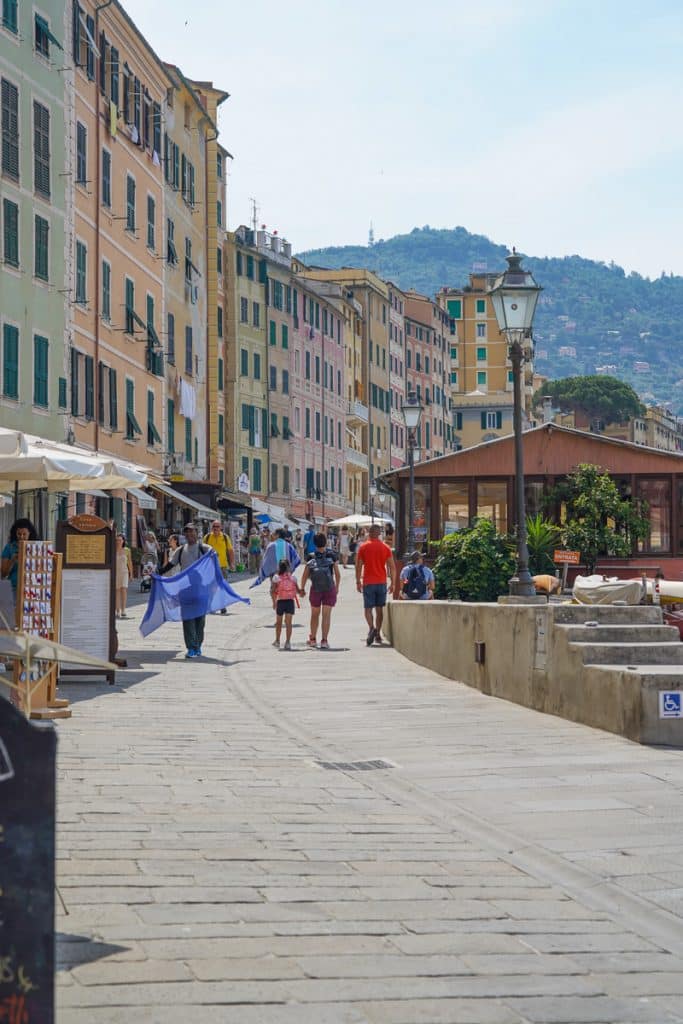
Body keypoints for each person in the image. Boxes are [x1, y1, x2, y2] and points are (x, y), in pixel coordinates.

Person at [166, 522, 212, 658]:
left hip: (201, 588)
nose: (189, 534)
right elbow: (170, 565)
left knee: (200, 619)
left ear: (197, 533)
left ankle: (198, 645)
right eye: (187, 532)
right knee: (188, 618)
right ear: (184, 535)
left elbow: (213, 555)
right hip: (185, 588)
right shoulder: (180, 550)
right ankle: (191, 647)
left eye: (192, 531)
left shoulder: (203, 548)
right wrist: (157, 573)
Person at [355, 523, 397, 645]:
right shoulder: (385, 548)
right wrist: (393, 584)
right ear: (379, 534)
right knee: (379, 610)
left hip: (368, 582)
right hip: (381, 582)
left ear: (370, 533)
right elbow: (392, 567)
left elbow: (358, 566)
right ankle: (378, 634)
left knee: (368, 609)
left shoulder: (363, 547)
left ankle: (371, 628)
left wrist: (358, 581)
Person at [300, 532, 341, 650]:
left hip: (315, 589)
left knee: (314, 614)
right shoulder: (332, 555)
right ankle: (324, 640)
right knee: (326, 615)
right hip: (329, 588)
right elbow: (337, 574)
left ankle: (313, 639)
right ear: (326, 542)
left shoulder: (311, 556)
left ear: (314, 543)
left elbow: (305, 574)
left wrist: (302, 589)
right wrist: (337, 587)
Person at [204, 519, 235, 613]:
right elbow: (202, 550)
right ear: (211, 527)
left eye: (217, 526)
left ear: (221, 527)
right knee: (211, 587)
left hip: (222, 566)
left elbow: (230, 551)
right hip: (210, 566)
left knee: (222, 586)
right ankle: (211, 606)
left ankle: (222, 605)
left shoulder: (225, 537)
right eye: (214, 526)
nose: (216, 528)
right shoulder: (207, 537)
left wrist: (232, 563)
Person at [1, 518, 38, 593]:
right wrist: (13, 560)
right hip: (13, 588)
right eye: (19, 534)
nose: (21, 537)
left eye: (24, 534)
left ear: (29, 533)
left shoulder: (37, 547)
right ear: (15, 533)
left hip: (32, 588)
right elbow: (3, 574)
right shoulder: (9, 547)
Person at [270, 559, 299, 650]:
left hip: (281, 601)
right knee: (289, 623)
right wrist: (302, 592)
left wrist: (274, 602)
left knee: (279, 623)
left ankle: (277, 641)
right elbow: (298, 590)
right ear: (288, 567)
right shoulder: (293, 577)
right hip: (290, 601)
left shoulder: (276, 577)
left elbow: (273, 591)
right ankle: (287, 642)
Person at [115, 533, 134, 618]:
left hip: (124, 572)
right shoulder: (113, 550)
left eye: (120, 540)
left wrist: (131, 574)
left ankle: (123, 610)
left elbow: (129, 563)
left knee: (124, 590)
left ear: (123, 541)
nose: (118, 542)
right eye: (117, 540)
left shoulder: (127, 550)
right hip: (116, 573)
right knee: (117, 591)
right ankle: (117, 610)